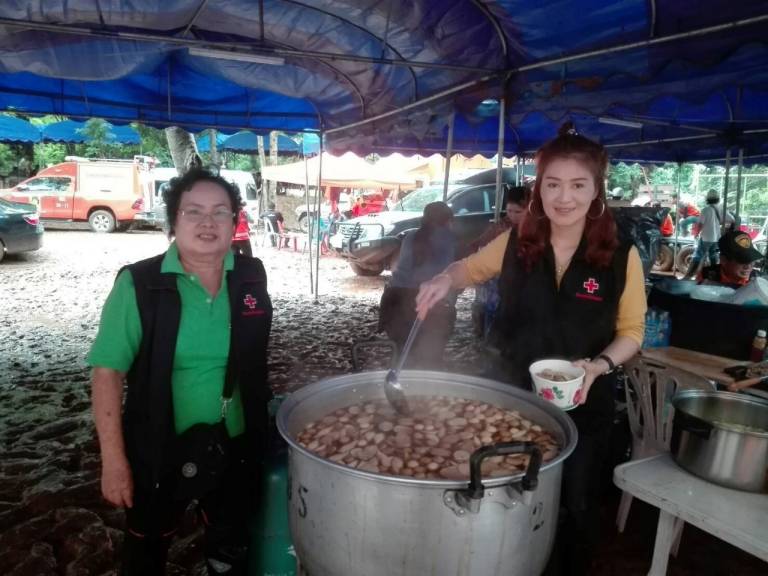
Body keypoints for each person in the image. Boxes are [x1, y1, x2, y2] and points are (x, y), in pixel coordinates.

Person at [415, 123, 646, 576]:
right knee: (503, 502)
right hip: (509, 397)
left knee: (576, 508)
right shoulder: (519, 242)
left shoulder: (621, 256)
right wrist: (444, 279)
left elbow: (632, 332)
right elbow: (466, 270)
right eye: (553, 185)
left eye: (578, 185)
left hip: (584, 403)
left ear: (597, 190)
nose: (564, 198)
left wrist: (599, 366)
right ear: (539, 190)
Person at [89, 169, 273, 575]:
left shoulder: (250, 276)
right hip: (157, 449)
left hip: (236, 442)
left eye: (219, 212)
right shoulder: (139, 284)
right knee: (146, 550)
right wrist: (114, 461)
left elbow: (255, 361)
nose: (207, 223)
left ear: (234, 221)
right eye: (193, 212)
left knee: (230, 548)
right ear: (173, 221)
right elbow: (107, 374)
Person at [378, 201, 457, 368]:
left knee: (403, 356)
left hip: (393, 303)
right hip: (428, 304)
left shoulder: (410, 236)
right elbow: (459, 274)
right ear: (449, 221)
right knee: (429, 360)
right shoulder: (450, 239)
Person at [466, 186, 528, 337]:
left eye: (518, 212)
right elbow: (478, 243)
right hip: (498, 285)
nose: (512, 216)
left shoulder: (536, 230)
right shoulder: (501, 226)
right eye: (509, 211)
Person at [683, 189, 735, 279]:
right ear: (717, 199)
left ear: (707, 199)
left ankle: (688, 276)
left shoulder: (706, 210)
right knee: (713, 256)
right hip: (716, 238)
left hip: (706, 238)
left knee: (698, 256)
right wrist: (720, 223)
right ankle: (714, 276)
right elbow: (732, 219)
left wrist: (696, 234)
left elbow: (700, 224)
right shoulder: (721, 209)